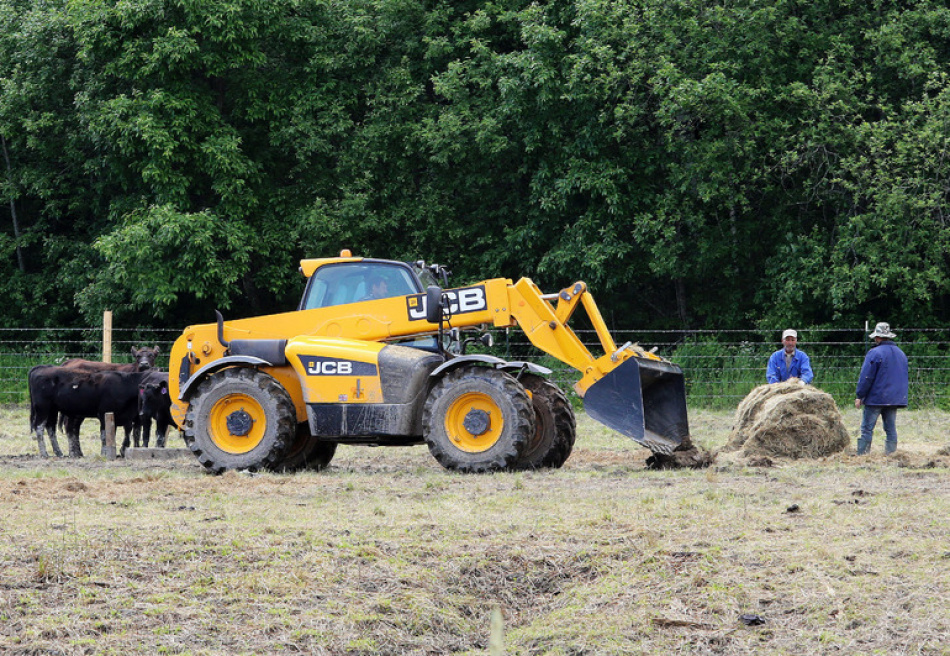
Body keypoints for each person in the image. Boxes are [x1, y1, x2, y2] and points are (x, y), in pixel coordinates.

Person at [855, 322, 908, 455]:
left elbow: (867, 377)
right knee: (890, 428)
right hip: (894, 398)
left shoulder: (874, 353)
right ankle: (891, 454)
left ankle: (863, 454)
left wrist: (860, 395)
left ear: (877, 337)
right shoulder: (901, 354)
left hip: (876, 398)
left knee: (867, 428)